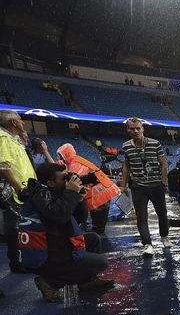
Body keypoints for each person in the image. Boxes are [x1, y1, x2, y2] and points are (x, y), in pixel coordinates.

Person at [18, 163, 113, 302]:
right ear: (50, 183)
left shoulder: (53, 192)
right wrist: (71, 193)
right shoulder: (41, 196)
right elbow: (60, 216)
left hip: (53, 243)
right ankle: (50, 282)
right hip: (44, 254)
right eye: (64, 178)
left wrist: (78, 196)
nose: (68, 180)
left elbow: (80, 218)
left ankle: (87, 281)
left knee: (93, 238)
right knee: (101, 263)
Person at [120, 117, 171, 256]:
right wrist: (123, 185)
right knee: (141, 217)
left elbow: (163, 163)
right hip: (138, 186)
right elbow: (126, 166)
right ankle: (147, 244)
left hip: (156, 185)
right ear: (128, 130)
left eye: (138, 128)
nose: (135, 131)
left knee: (162, 214)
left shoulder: (155, 144)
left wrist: (164, 181)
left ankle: (164, 236)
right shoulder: (126, 146)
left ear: (143, 129)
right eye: (132, 129)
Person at [56, 143, 120, 237]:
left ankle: (97, 242)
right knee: (98, 222)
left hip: (99, 192)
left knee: (98, 225)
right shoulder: (76, 161)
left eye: (60, 156)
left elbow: (76, 180)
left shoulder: (74, 163)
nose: (59, 159)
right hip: (101, 189)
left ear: (65, 154)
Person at [0, 109, 37, 274]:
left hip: (23, 189)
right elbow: (3, 166)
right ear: (13, 122)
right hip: (14, 192)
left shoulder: (13, 139)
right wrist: (18, 188)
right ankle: (16, 262)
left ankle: (23, 260)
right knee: (14, 227)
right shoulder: (2, 138)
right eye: (20, 119)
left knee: (21, 226)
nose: (23, 122)